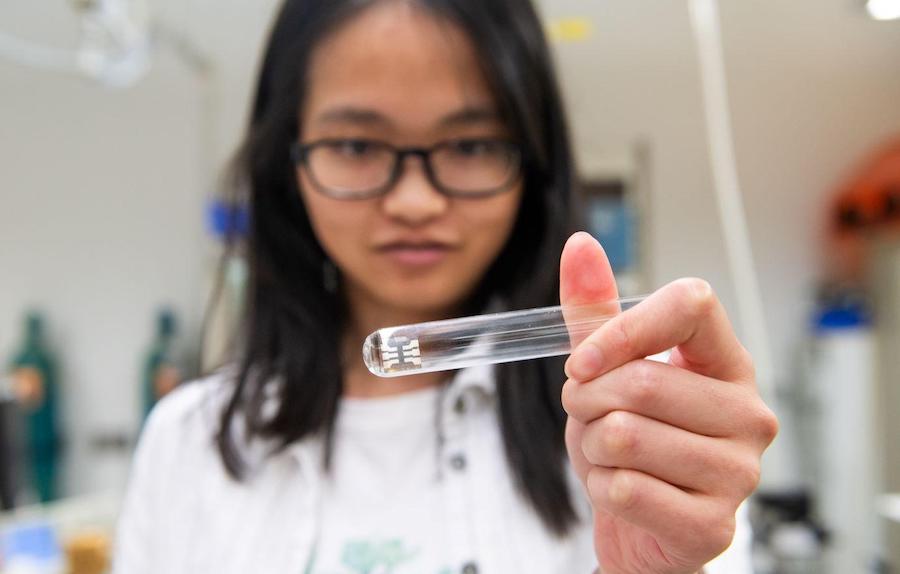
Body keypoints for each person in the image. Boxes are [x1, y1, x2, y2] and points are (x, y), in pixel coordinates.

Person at [113, 0, 778, 572]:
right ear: (288, 164)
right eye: (355, 145)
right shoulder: (187, 444)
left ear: (534, 164)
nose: (413, 201)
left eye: (468, 147)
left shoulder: (637, 433)